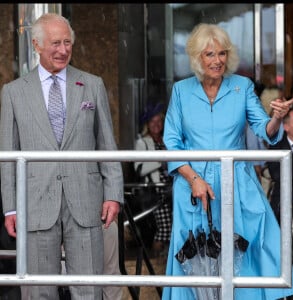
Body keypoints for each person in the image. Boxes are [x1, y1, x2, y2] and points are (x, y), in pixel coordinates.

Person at [162, 23, 293, 300]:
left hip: (237, 183)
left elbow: (264, 130)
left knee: (246, 251)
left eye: (222, 53)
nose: (217, 60)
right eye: (210, 54)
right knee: (195, 253)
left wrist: (277, 118)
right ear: (198, 58)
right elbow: (172, 142)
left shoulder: (242, 86)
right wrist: (194, 179)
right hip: (193, 185)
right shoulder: (181, 90)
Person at [0, 13, 124, 300]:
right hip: (35, 202)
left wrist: (113, 194)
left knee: (88, 288)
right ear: (36, 45)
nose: (63, 50)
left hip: (86, 200)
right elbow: (8, 155)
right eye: (56, 43)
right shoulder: (14, 92)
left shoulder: (92, 84)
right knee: (40, 289)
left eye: (68, 42)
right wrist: (10, 208)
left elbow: (107, 143)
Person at [267, 103, 293, 297]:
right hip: (285, 209)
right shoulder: (276, 147)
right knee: (286, 257)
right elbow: (278, 173)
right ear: (286, 127)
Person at [134, 102, 172, 256]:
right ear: (147, 124)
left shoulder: (166, 140)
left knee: (172, 225)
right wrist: (159, 162)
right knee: (164, 228)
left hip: (170, 189)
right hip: (155, 190)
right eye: (152, 122)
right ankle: (155, 259)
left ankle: (165, 257)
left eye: (159, 121)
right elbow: (139, 168)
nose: (156, 125)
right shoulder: (142, 142)